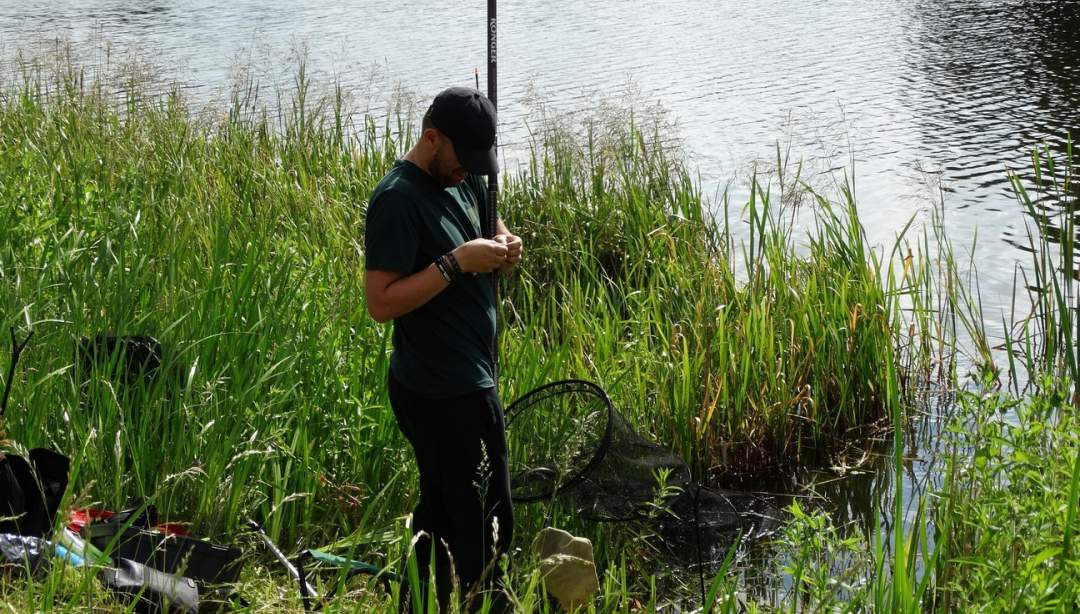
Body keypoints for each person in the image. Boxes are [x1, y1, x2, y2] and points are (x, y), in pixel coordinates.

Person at [363, 86, 522, 611]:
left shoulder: (462, 175)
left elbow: (486, 224)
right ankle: (484, 602)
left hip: (470, 373)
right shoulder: (397, 199)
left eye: (479, 163)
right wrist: (456, 263)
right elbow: (380, 302)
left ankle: (417, 603)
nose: (468, 172)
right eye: (462, 160)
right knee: (488, 522)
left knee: (440, 509)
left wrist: (503, 242)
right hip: (440, 388)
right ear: (432, 138)